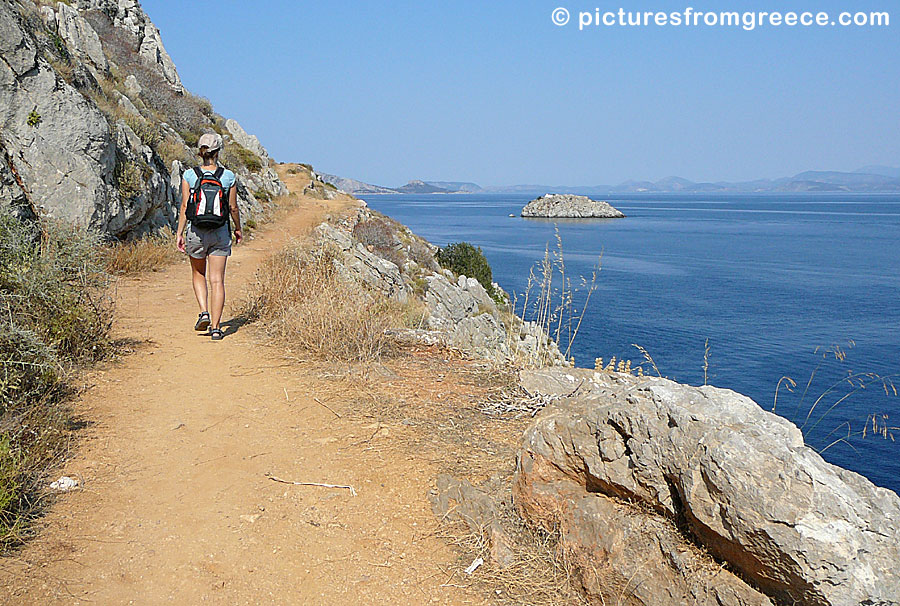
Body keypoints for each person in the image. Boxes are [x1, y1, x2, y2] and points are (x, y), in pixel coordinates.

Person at [175, 133, 243, 341]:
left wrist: (179, 233)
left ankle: (203, 311)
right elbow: (232, 207)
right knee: (217, 280)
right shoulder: (228, 176)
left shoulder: (190, 175)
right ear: (218, 151)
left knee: (198, 274)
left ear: (200, 151)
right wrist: (238, 228)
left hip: (196, 232)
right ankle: (216, 328)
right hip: (220, 232)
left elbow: (186, 206)